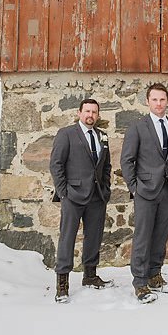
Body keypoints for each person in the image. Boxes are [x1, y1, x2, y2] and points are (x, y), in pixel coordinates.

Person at [120, 84, 168, 303]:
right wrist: (134, 187)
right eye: (155, 100)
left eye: (162, 99)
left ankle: (155, 274)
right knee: (143, 236)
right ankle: (140, 282)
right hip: (146, 190)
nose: (159, 103)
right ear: (148, 101)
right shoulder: (138, 127)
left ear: (167, 101)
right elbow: (127, 160)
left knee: (161, 236)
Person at [49, 97, 113, 303]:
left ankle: (90, 275)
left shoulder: (102, 136)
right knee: (67, 237)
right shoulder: (66, 134)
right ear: (79, 112)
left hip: (97, 196)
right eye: (87, 111)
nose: (90, 115)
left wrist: (105, 189)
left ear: (98, 114)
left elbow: (106, 167)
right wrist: (63, 191)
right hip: (73, 195)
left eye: (94, 112)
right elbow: (56, 164)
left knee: (94, 236)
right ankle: (62, 283)